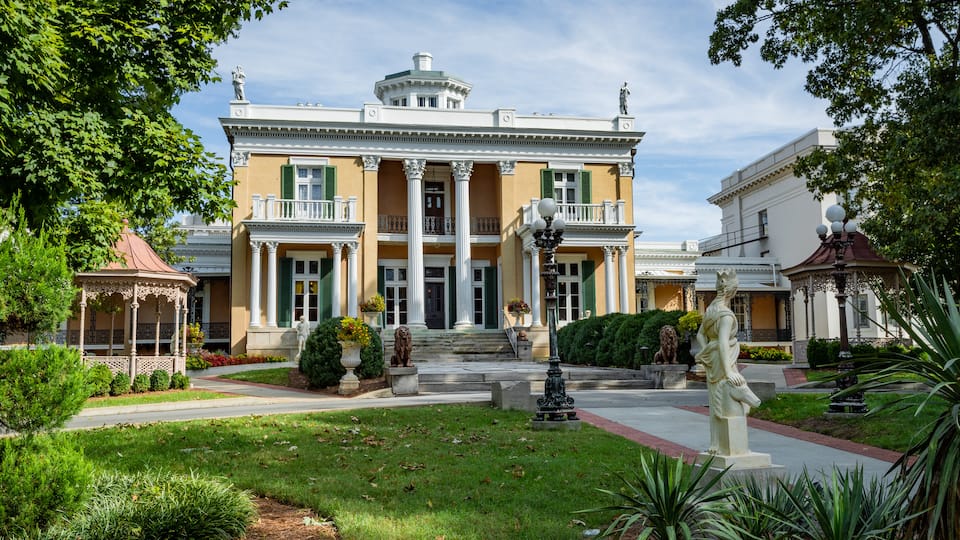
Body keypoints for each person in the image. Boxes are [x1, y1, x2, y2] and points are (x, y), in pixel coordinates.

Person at [695, 269, 751, 454]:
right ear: (733, 291)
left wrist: (706, 353)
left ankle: (716, 444)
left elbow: (701, 335)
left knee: (715, 404)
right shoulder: (725, 315)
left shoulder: (711, 310)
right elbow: (723, 344)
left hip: (714, 362)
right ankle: (730, 448)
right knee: (730, 404)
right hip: (724, 363)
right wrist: (729, 372)